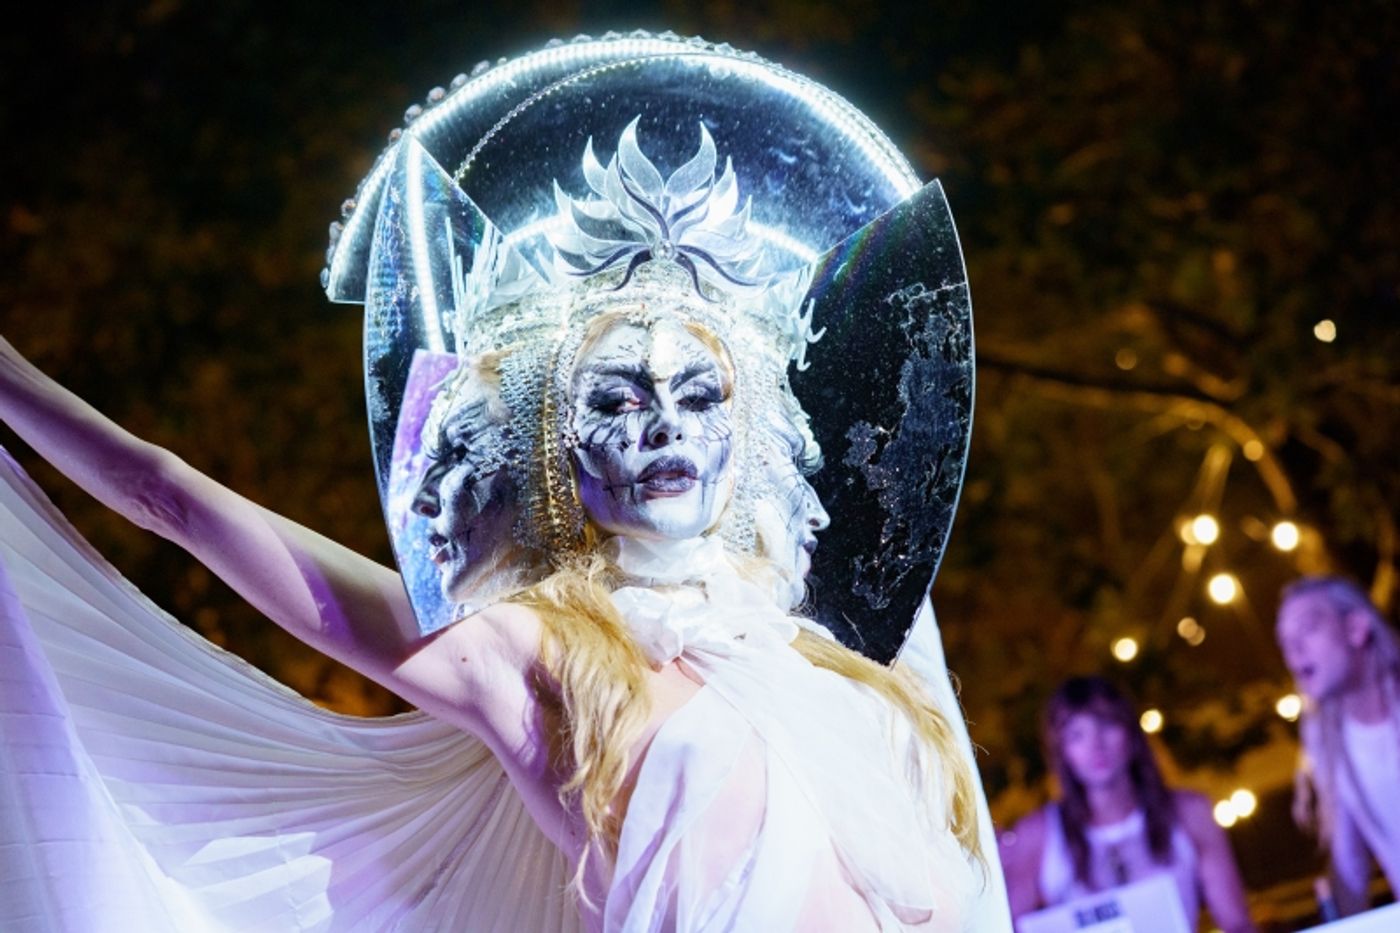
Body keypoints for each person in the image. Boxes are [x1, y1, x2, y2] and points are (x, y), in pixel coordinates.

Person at [0, 35, 997, 931]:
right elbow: (169, 496)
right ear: (554, 460)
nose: (662, 424)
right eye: (614, 399)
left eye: (699, 394)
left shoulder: (839, 662)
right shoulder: (543, 661)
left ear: (749, 436)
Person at [1001, 677, 1255, 933]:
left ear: (1130, 732)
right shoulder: (1039, 833)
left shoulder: (1189, 812)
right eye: (1076, 735)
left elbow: (1236, 923)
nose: (1095, 746)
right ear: (1062, 751)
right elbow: (1004, 926)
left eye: (1107, 725)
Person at [1276, 575, 1400, 915]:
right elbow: (1349, 864)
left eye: (1308, 629)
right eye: (1285, 641)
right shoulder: (1328, 741)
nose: (1294, 650)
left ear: (1356, 629)